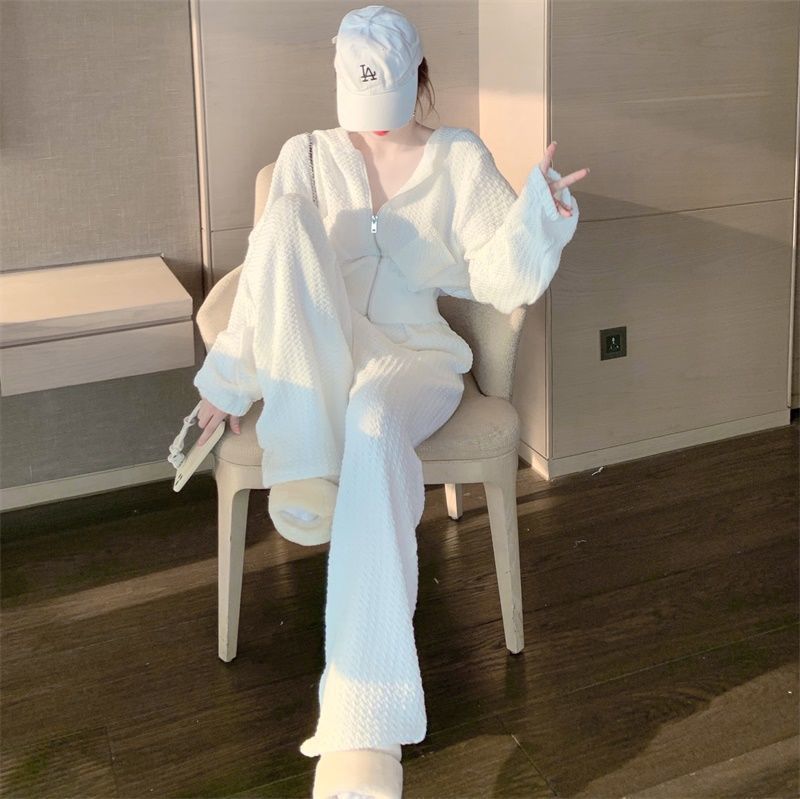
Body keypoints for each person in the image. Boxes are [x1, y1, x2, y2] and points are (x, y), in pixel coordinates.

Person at [192, 5, 589, 797]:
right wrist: (227, 382)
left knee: (375, 422)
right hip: (328, 348)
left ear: (419, 78)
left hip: (415, 359)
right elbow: (269, 277)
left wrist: (536, 224)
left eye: (389, 100)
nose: (373, 125)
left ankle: (362, 730)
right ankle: (307, 465)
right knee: (283, 224)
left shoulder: (459, 159)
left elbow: (498, 279)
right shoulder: (306, 156)